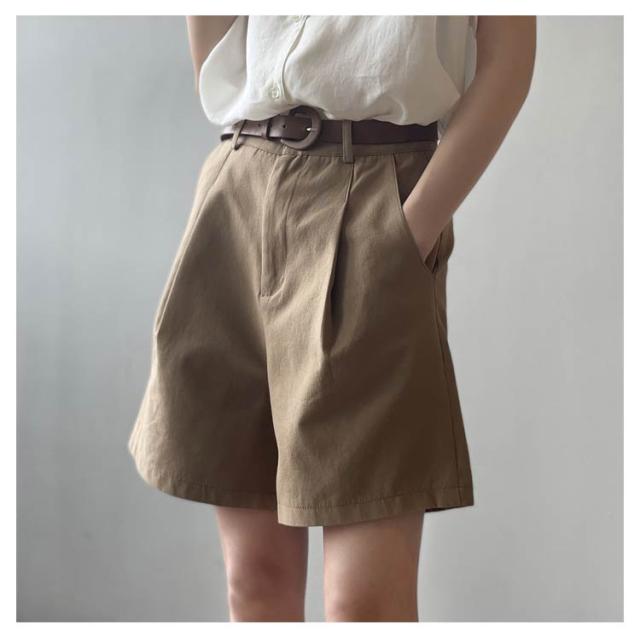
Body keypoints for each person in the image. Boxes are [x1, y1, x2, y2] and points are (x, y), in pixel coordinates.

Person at [128, 15, 536, 622]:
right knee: (254, 579)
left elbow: (508, 62)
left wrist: (407, 232)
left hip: (376, 190)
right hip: (240, 187)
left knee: (365, 605)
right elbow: (216, 50)